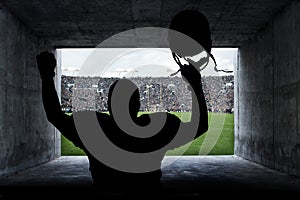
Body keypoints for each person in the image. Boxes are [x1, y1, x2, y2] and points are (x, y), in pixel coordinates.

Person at [36, 10, 210, 194]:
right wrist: (195, 86)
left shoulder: (95, 129)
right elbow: (200, 127)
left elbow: (54, 115)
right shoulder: (158, 128)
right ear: (139, 105)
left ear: (108, 104)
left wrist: (47, 76)